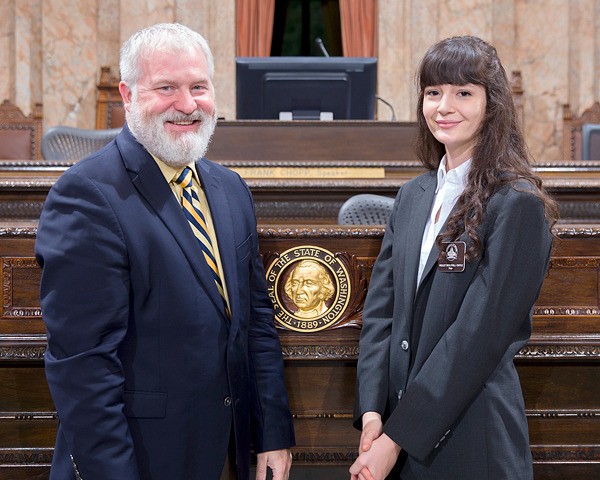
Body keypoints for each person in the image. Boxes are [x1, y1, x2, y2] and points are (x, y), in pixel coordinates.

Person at [35, 23, 295, 480]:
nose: (188, 104)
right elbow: (83, 370)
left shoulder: (230, 189)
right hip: (138, 460)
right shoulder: (87, 194)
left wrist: (270, 433)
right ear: (128, 95)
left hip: (223, 453)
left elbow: (254, 323)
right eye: (166, 87)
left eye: (198, 87)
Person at [349, 36, 558, 480]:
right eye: (433, 92)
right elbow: (381, 315)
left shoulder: (517, 203)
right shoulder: (412, 196)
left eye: (463, 93)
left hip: (471, 440)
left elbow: (477, 338)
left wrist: (395, 439)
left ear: (492, 104)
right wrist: (372, 413)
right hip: (396, 434)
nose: (444, 106)